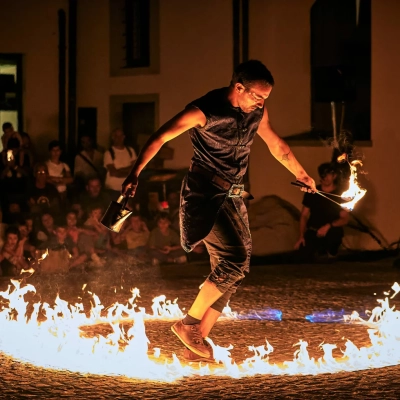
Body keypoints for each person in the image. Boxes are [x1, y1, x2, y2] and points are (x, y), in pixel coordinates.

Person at [122, 60, 316, 360]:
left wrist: (302, 174)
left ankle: (196, 342)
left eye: (265, 98)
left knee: (237, 269)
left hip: (234, 195)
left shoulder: (258, 112)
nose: (262, 103)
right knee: (234, 260)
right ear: (238, 87)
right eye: (257, 96)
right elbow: (160, 137)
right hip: (205, 194)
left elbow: (276, 144)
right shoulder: (204, 110)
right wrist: (135, 173)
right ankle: (188, 325)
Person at [294, 162, 349, 261]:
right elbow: (304, 215)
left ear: (334, 176)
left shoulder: (341, 194)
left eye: (328, 174)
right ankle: (318, 251)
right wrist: (301, 236)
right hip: (314, 230)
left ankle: (330, 251)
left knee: (332, 244)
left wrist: (328, 226)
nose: (325, 177)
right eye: (323, 174)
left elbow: (344, 219)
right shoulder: (312, 192)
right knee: (303, 253)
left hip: (332, 231)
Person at [104, 128, 137, 199]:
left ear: (124, 137)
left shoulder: (130, 151)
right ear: (113, 138)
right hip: (113, 189)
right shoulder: (109, 153)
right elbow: (113, 173)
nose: (119, 138)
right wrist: (129, 172)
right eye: (116, 136)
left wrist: (120, 170)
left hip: (128, 189)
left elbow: (135, 168)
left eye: (121, 136)